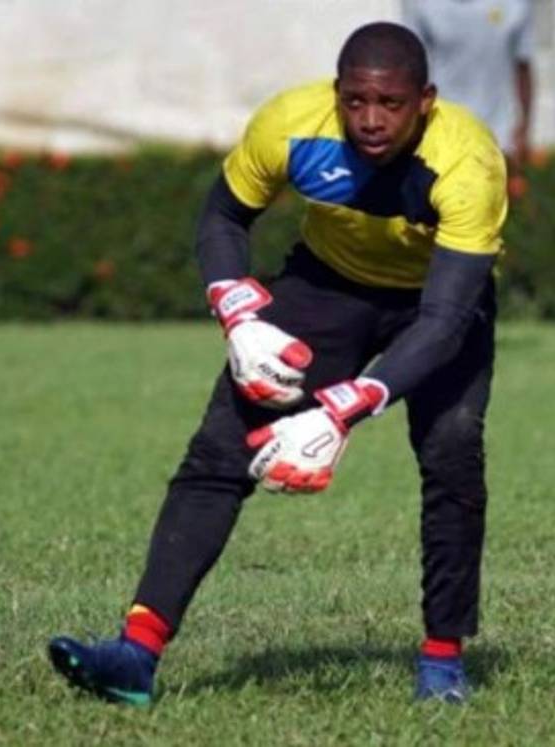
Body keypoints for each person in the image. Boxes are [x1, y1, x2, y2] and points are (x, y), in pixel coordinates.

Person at [47, 21, 507, 707]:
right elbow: (221, 219)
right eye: (355, 101)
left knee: (451, 450)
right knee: (217, 449)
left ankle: (442, 662)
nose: (371, 120)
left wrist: (345, 406)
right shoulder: (290, 123)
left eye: (391, 104)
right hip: (328, 284)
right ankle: (136, 653)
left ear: (426, 100)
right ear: (336, 92)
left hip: (437, 301)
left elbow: (442, 325)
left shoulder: (468, 162)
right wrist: (238, 313)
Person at [400, 0, 535, 185]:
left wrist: (524, 128)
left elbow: (523, 67)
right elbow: (410, 71)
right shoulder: (423, 6)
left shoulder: (514, 5)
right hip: (443, 142)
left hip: (499, 140)